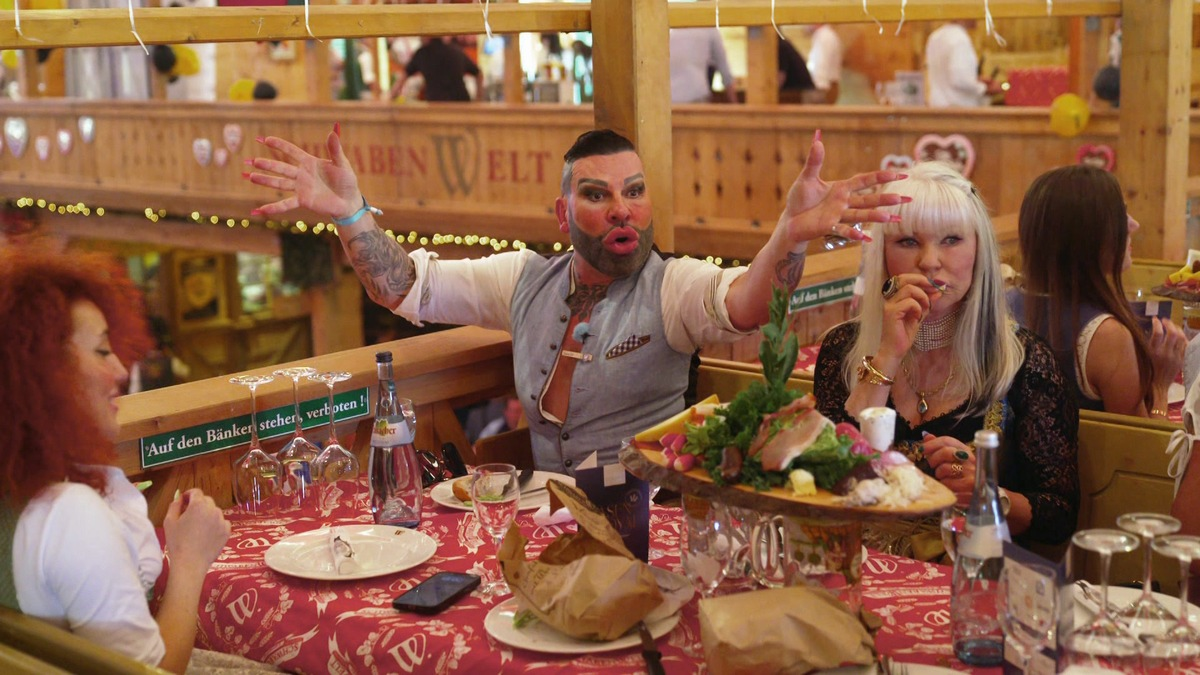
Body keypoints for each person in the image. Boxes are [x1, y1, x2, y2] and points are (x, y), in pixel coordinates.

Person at [245, 127, 906, 474]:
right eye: (597, 194)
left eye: (635, 191)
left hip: (649, 527)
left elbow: (747, 303)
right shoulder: (525, 278)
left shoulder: (671, 284)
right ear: (563, 212)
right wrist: (351, 214)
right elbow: (402, 286)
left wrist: (788, 234)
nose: (622, 208)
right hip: (539, 518)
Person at [812, 161, 1079, 555]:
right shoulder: (843, 348)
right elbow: (823, 479)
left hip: (972, 578)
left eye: (951, 239)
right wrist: (887, 354)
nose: (930, 261)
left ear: (979, 252)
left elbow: (1059, 517)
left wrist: (989, 494)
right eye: (907, 242)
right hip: (859, 566)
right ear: (882, 256)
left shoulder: (1026, 361)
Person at [0, 245, 236, 673]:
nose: (121, 371)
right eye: (102, 351)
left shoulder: (19, 485)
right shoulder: (67, 511)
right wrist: (190, 560)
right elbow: (155, 671)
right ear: (41, 370)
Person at [1011, 165, 1186, 419]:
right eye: (1121, 216)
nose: (1134, 225)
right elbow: (1139, 452)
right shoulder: (1106, 335)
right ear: (1089, 236)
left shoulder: (1001, 304)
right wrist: (1160, 386)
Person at [924, 20, 999, 108]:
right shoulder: (960, 39)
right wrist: (984, 89)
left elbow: (945, 75)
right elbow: (959, 79)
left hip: (937, 106)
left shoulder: (935, 36)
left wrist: (975, 80)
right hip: (958, 110)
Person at [389, 36, 482, 102]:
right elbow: (479, 74)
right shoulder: (456, 51)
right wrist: (478, 100)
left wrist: (389, 99)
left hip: (436, 105)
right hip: (461, 104)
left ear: (427, 36)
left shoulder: (422, 53)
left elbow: (402, 79)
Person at [669, 27, 737, 103]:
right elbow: (725, 71)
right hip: (696, 97)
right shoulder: (708, 28)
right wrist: (735, 105)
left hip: (665, 100)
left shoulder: (666, 25)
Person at [804, 24, 843, 104]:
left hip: (822, 89)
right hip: (824, 87)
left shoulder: (824, 37)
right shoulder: (824, 35)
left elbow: (820, 67)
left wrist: (817, 95)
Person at [776, 36, 816, 103]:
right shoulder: (783, 44)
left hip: (802, 95)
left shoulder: (780, 46)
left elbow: (780, 78)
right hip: (802, 93)